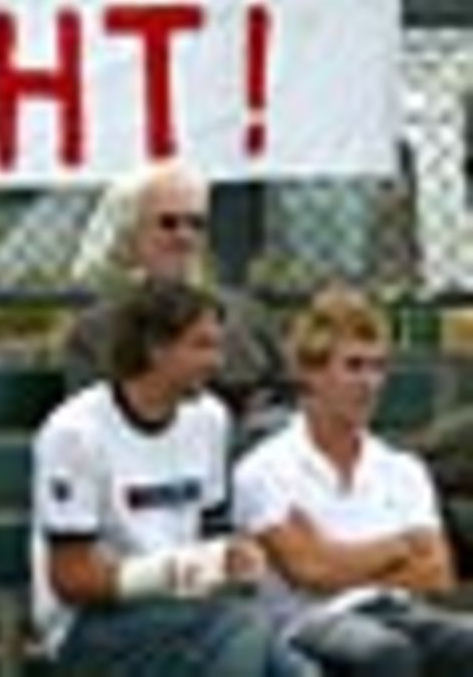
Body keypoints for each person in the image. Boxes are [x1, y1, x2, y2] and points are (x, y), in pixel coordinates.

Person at [32, 278, 314, 676]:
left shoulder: (209, 419)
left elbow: (212, 536)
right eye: (201, 346)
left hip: (191, 615)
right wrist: (169, 572)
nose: (217, 362)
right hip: (92, 626)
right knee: (242, 630)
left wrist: (236, 558)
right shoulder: (75, 433)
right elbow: (71, 579)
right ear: (156, 348)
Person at [233, 286, 473, 675]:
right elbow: (309, 571)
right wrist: (400, 547)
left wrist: (335, 558)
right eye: (354, 367)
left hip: (396, 609)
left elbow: (438, 573)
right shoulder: (266, 469)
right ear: (311, 374)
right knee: (384, 653)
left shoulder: (401, 468)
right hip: (307, 623)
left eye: (378, 368)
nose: (369, 383)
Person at [58, 160, 290, 440]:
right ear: (131, 235)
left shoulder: (247, 315)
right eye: (168, 224)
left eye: (196, 224)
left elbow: (286, 395)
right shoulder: (96, 330)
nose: (184, 236)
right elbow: (92, 424)